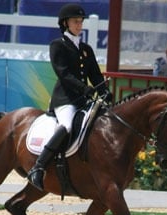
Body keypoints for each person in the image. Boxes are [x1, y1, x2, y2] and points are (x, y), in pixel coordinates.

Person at [27, 3, 111, 191]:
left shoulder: (86, 49)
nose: (79, 25)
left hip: (83, 99)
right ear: (65, 23)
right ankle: (38, 167)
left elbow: (95, 75)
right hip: (65, 100)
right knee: (66, 125)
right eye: (76, 22)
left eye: (81, 22)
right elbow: (64, 74)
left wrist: (104, 91)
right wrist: (85, 89)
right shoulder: (58, 45)